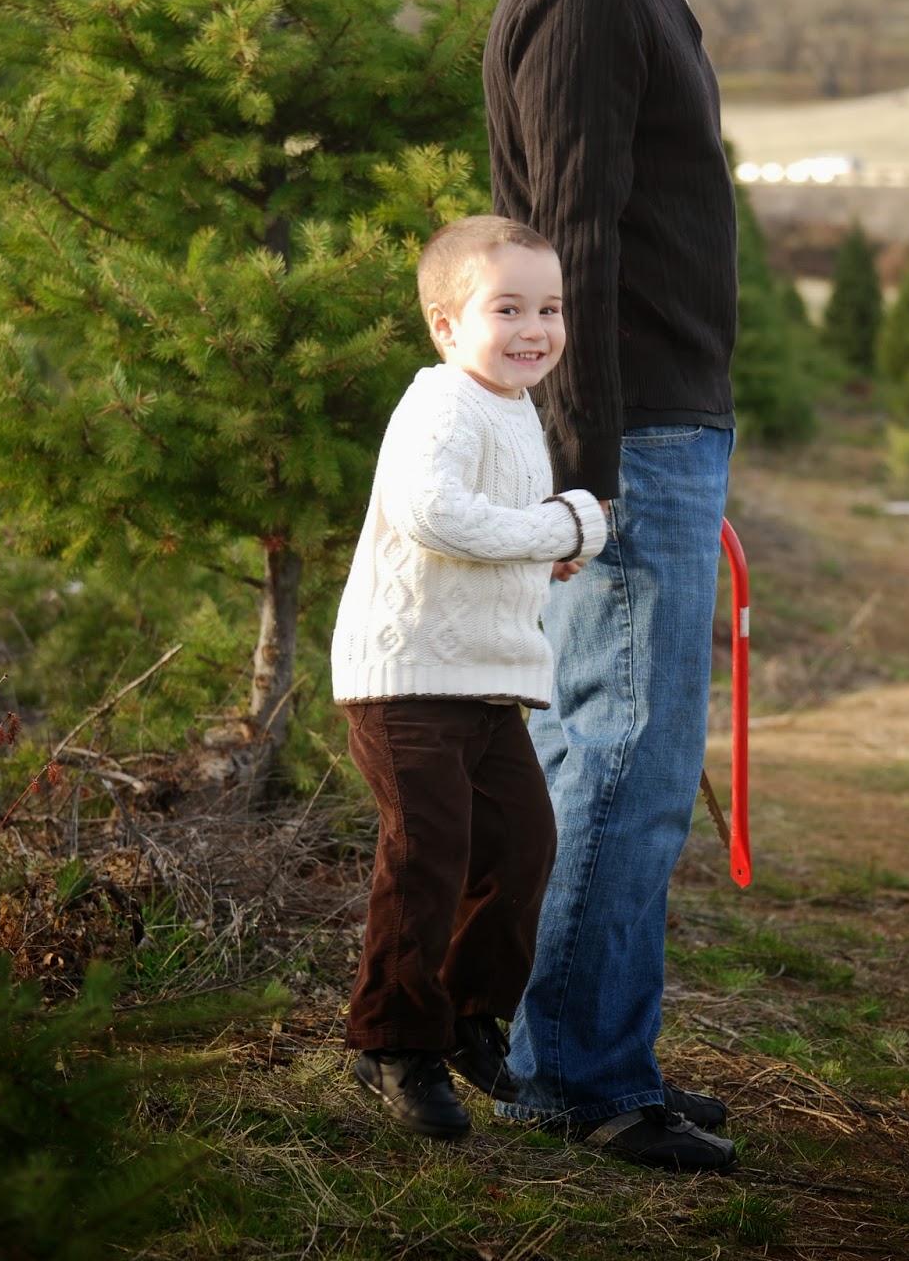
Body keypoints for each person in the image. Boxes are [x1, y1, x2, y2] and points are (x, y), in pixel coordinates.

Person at [482, 0, 740, 1173]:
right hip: (623, 438)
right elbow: (567, 240)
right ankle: (572, 1078)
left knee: (620, 758)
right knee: (620, 762)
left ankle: (594, 1050)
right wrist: (587, 482)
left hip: (659, 427)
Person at [331, 214, 607, 1140]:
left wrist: (542, 547)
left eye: (550, 309)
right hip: (408, 676)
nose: (535, 329)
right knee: (428, 857)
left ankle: (467, 1015)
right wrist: (564, 526)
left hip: (484, 682)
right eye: (508, 309)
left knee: (522, 843)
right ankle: (394, 1042)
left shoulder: (514, 408)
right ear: (446, 325)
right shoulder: (442, 400)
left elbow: (494, 530)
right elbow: (435, 514)